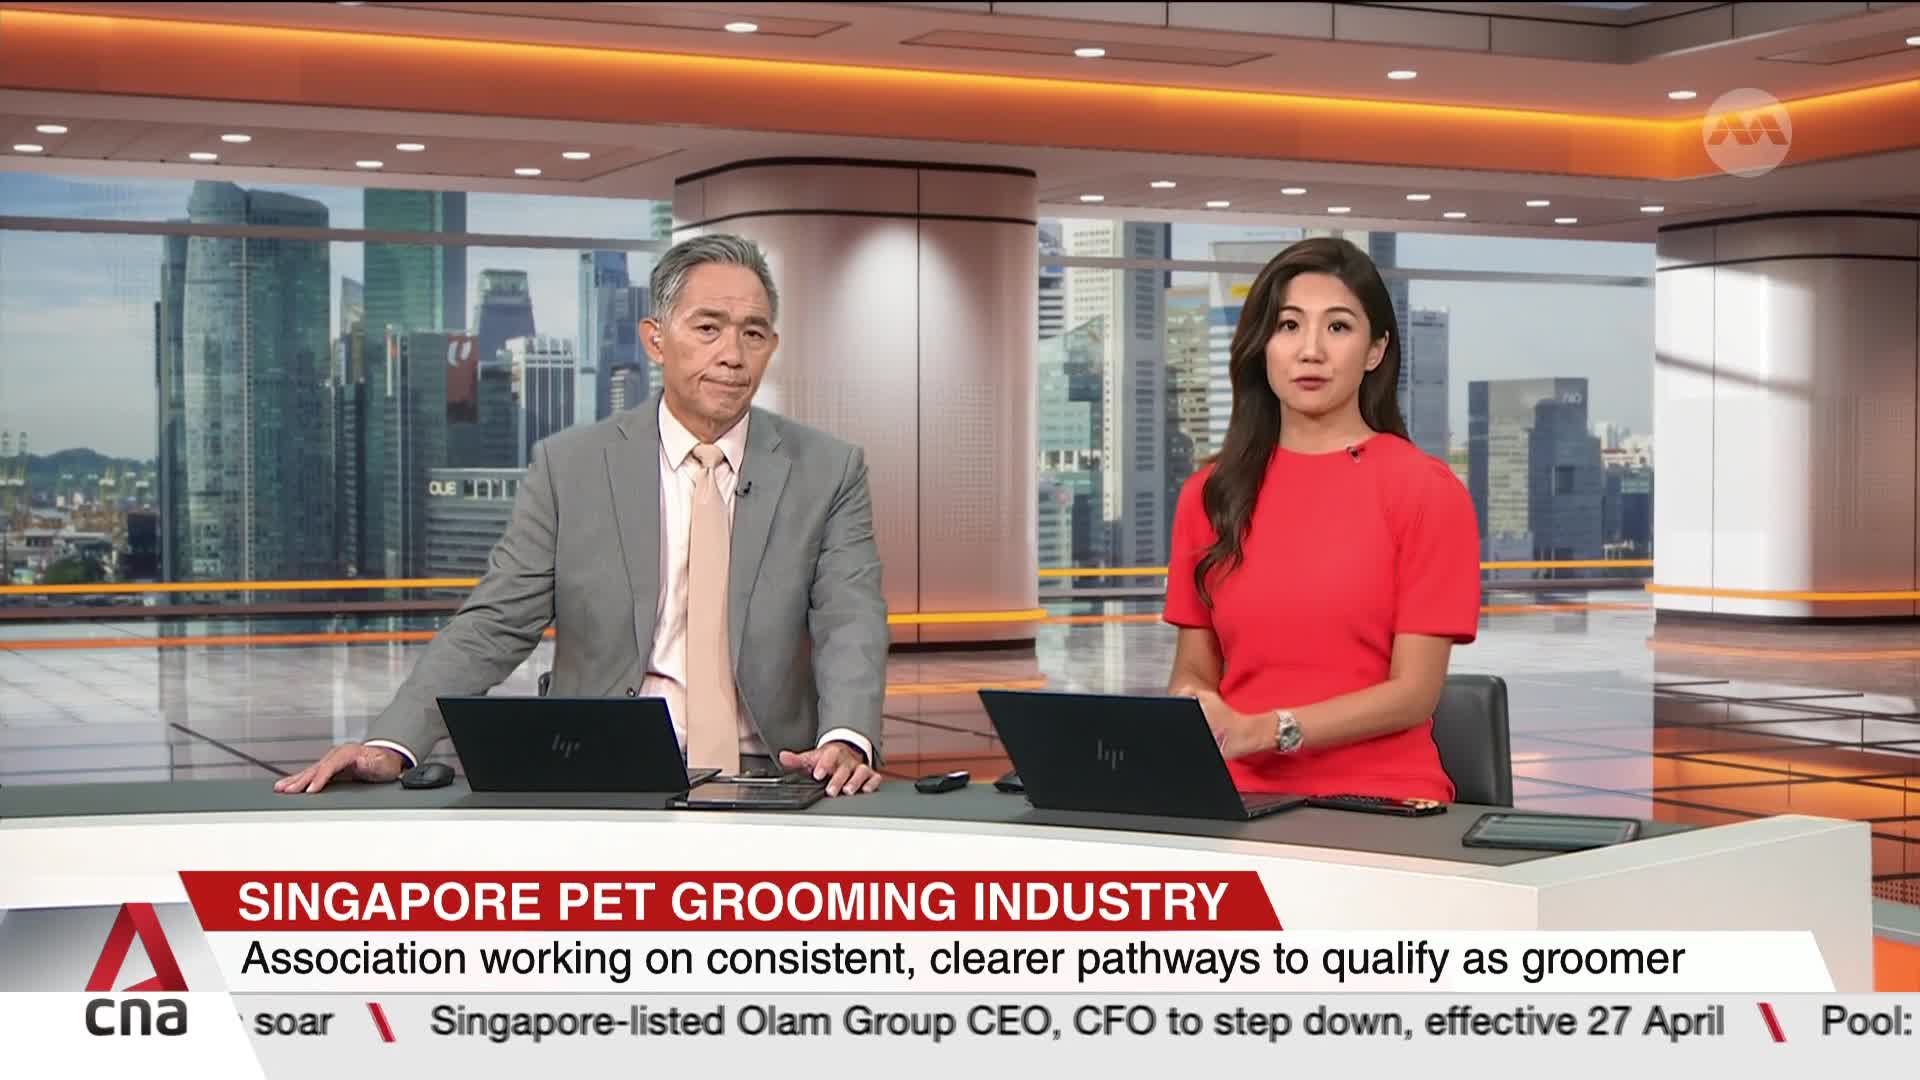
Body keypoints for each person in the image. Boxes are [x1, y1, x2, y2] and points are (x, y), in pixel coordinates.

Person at [278, 234, 888, 797]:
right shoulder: (570, 468)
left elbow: (849, 618)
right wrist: (394, 741)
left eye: (753, 334)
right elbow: (496, 623)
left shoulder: (829, 470)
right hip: (602, 765)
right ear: (655, 339)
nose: (732, 354)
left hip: (771, 772)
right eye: (708, 328)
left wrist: (846, 737)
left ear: (771, 347)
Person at [1163, 237, 1479, 802]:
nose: (1310, 351)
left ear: (1375, 350)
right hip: (1232, 796)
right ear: (1263, 345)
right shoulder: (1209, 494)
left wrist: (1272, 728)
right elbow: (1193, 672)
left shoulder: (1426, 491)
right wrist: (1194, 707)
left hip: (1381, 799)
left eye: (1337, 328)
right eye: (1289, 326)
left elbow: (1414, 692)